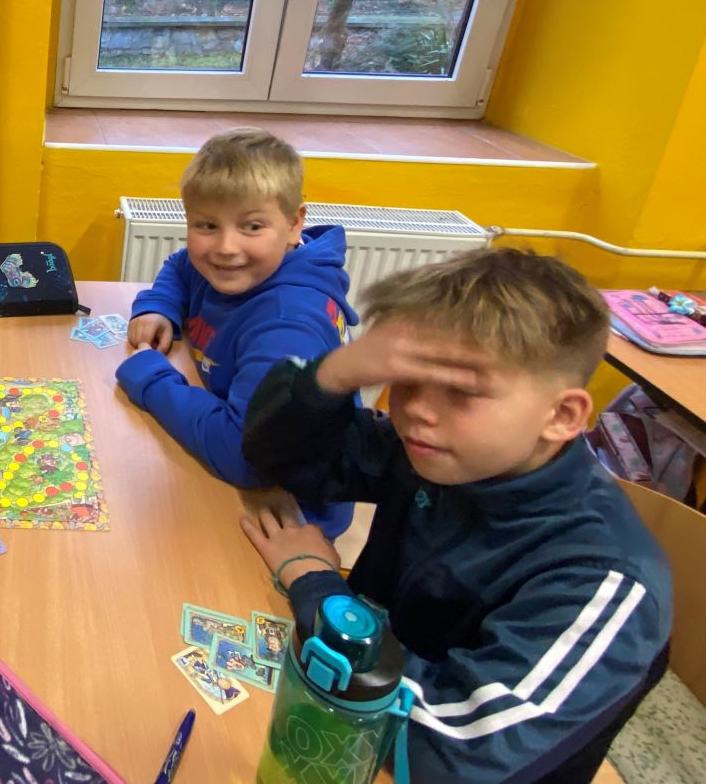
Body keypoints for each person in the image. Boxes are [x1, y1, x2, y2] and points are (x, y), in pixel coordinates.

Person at [239, 247, 670, 782]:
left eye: (461, 392)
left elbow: (450, 755)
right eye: (407, 381)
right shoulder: (456, 456)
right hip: (358, 712)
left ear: (562, 415)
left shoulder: (604, 579)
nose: (415, 409)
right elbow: (280, 454)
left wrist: (320, 589)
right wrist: (336, 372)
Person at [116, 128, 355, 536]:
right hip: (228, 450)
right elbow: (181, 265)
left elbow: (242, 454)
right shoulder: (232, 267)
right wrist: (160, 306)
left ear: (295, 223)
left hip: (288, 513)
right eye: (207, 225)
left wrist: (151, 378)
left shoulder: (287, 325)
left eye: (252, 226)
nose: (226, 247)